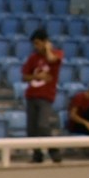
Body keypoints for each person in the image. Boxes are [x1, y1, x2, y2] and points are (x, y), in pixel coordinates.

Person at [22, 28, 63, 164]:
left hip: (46, 96)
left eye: (39, 43)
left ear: (45, 42)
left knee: (43, 125)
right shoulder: (32, 58)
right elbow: (25, 76)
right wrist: (36, 76)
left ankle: (54, 151)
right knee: (31, 128)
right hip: (31, 95)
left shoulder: (56, 54)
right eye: (34, 44)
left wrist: (48, 49)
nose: (36, 47)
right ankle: (37, 154)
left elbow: (52, 59)